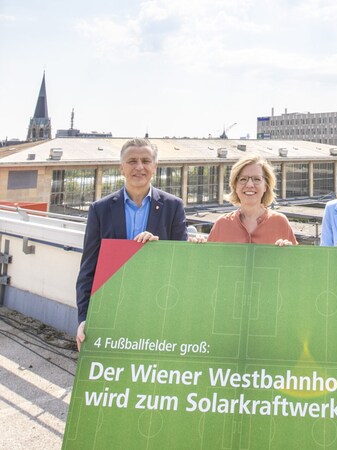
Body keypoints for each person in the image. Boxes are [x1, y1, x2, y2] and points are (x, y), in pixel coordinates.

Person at [75, 138, 188, 350]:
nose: (139, 167)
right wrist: (83, 318)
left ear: (154, 167)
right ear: (121, 168)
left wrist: (159, 249)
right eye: (132, 161)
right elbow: (88, 270)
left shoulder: (173, 207)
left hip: (157, 311)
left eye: (146, 160)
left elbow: (180, 266)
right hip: (110, 311)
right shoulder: (100, 210)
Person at [207, 155, 296, 246]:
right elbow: (208, 259)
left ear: (265, 186)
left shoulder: (280, 223)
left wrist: (288, 252)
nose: (249, 184)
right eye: (243, 179)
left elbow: (296, 259)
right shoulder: (222, 225)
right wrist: (196, 247)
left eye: (257, 179)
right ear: (235, 186)